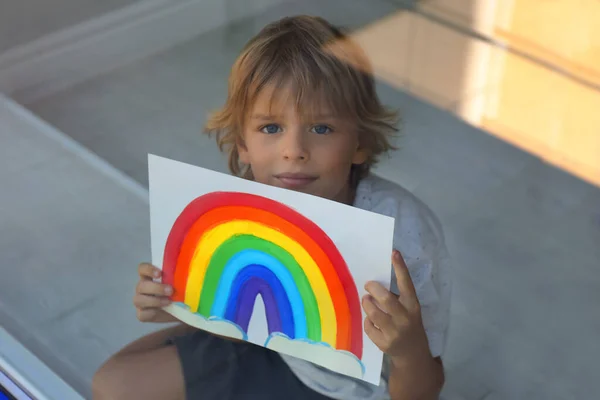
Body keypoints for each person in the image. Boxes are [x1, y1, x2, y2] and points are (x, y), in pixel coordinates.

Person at [92, 15, 452, 400]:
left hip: (354, 393)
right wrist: (177, 305)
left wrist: (409, 350)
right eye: (270, 128)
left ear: (359, 142)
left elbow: (422, 391)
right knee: (111, 385)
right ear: (243, 143)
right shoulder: (248, 205)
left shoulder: (405, 235)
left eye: (321, 128)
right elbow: (255, 314)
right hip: (270, 351)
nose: (293, 151)